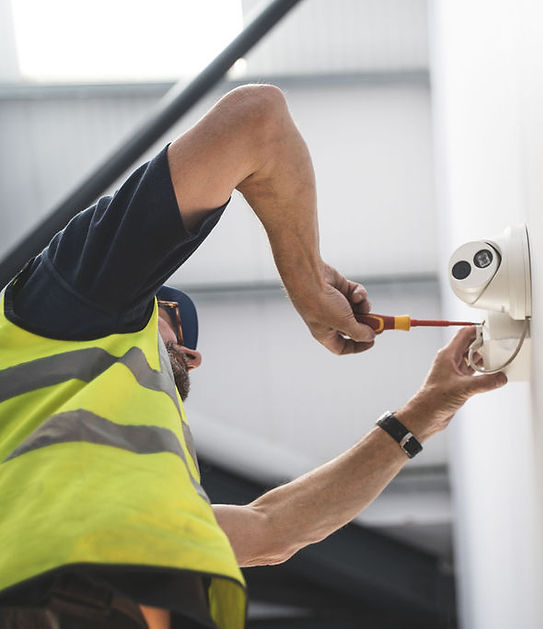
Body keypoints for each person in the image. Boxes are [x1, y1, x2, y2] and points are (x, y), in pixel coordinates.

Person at [0, 84, 507, 629]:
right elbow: (254, 122)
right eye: (169, 314)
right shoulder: (67, 312)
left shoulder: (139, 491)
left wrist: (426, 411)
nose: (192, 355)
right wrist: (310, 285)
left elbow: (274, 531)